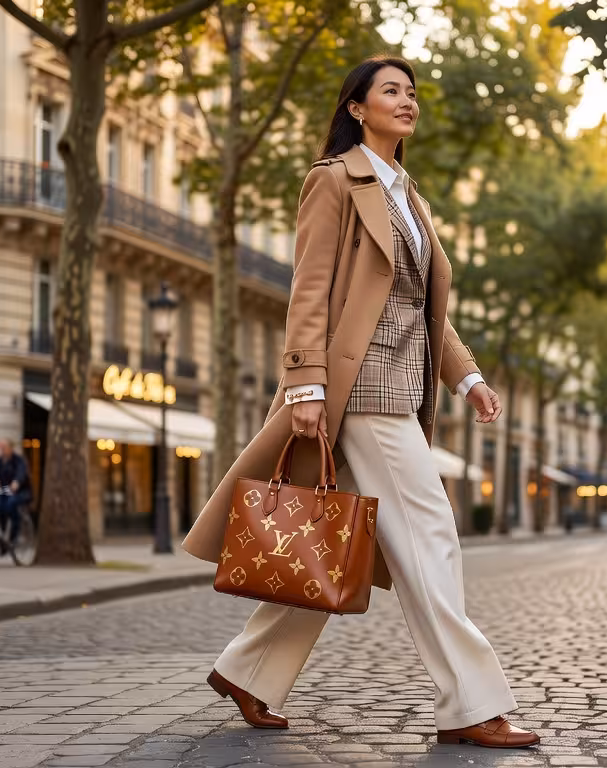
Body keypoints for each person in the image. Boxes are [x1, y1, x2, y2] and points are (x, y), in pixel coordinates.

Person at [181, 56, 538, 749]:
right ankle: (470, 704)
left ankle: (249, 671)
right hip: (363, 388)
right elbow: (309, 288)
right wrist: (306, 385)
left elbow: (424, 308)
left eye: (412, 92)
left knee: (333, 542)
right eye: (390, 91)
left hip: (402, 387)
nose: (407, 102)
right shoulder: (334, 179)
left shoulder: (408, 195)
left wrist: (467, 378)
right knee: (430, 539)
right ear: (356, 107)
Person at [0, 440, 30, 552]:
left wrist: (17, 482)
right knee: (0, 511)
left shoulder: (18, 460)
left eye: (4, 447)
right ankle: (2, 541)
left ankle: (14, 537)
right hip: (5, 491)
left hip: (20, 492)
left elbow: (21, 472)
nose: (2, 450)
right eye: (1, 447)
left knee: (11, 504)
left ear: (11, 448)